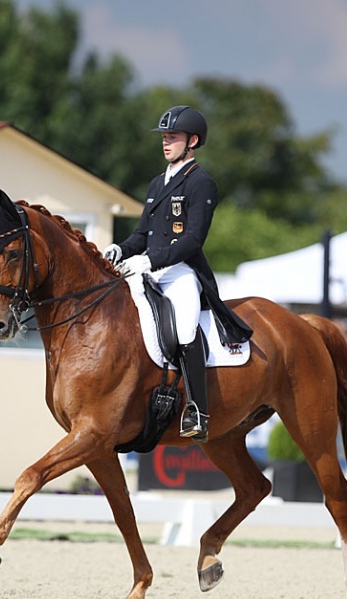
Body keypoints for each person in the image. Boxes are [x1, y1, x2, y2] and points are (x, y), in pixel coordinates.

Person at [104, 105, 252, 443]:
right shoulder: (158, 183)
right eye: (164, 137)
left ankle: (198, 410)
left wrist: (150, 260)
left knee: (185, 329)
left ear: (193, 141)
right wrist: (121, 250)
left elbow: (192, 240)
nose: (166, 143)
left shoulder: (201, 184)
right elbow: (142, 233)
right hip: (149, 270)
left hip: (182, 273)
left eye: (173, 137)